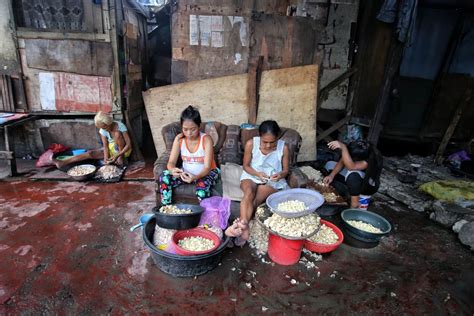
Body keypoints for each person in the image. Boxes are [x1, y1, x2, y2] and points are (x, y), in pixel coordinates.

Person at [225, 120, 290, 244]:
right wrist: (257, 174)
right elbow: (246, 166)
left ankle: (242, 226)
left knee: (258, 195)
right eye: (265, 142)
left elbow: (286, 170)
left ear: (278, 137)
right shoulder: (251, 144)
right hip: (252, 174)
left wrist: (280, 174)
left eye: (272, 142)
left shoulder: (284, 148)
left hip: (272, 179)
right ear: (260, 136)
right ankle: (244, 226)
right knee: (249, 193)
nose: (268, 146)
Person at [159, 105, 220, 205]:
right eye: (185, 129)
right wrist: (173, 170)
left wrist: (195, 178)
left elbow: (207, 167)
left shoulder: (206, 139)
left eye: (193, 129)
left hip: (207, 173)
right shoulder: (179, 139)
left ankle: (205, 216)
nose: (189, 133)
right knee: (164, 176)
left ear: (199, 126)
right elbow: (171, 163)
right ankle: (167, 209)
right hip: (186, 173)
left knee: (201, 188)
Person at [54, 111, 132, 169]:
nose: (103, 129)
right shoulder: (102, 130)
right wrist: (106, 159)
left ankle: (121, 158)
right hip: (112, 151)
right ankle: (63, 162)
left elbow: (129, 144)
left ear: (109, 123)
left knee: (117, 134)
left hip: (123, 151)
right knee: (90, 153)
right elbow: (105, 147)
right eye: (101, 128)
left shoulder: (120, 126)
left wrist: (118, 156)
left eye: (104, 127)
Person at [323, 140, 383, 208]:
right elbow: (343, 160)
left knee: (352, 175)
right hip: (357, 177)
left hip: (367, 186)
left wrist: (343, 147)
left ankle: (356, 200)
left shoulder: (370, 160)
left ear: (358, 158)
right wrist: (331, 175)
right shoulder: (357, 148)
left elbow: (351, 167)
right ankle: (348, 192)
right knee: (330, 165)